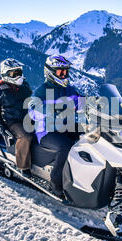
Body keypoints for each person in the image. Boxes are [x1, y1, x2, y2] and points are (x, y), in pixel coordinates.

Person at [29, 55, 81, 197]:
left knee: (89, 137)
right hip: (47, 131)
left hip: (66, 126)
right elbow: (33, 110)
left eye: (66, 72)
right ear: (50, 72)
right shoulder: (41, 91)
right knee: (65, 147)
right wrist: (54, 109)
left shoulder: (69, 89)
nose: (64, 75)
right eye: (60, 72)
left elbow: (81, 102)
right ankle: (55, 184)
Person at [0, 58, 33, 176]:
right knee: (25, 136)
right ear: (5, 74)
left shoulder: (24, 85)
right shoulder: (0, 91)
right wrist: (1, 127)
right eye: (14, 73)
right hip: (12, 121)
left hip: (27, 116)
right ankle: (23, 166)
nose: (18, 76)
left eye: (19, 72)